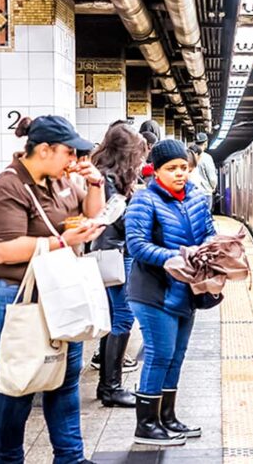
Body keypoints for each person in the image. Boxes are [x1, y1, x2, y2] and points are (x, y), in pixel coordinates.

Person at [0, 115, 105, 464]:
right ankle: (8, 459)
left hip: (55, 291)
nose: (74, 161)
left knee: (64, 379)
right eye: (68, 152)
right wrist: (61, 242)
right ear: (44, 150)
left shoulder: (60, 181)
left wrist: (95, 184)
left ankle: (71, 458)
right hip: (9, 295)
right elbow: (0, 250)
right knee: (18, 383)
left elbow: (92, 213)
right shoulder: (8, 186)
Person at [125, 139, 217, 446]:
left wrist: (213, 251)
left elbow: (208, 233)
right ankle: (146, 425)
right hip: (153, 291)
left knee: (176, 356)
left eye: (184, 168)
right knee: (159, 353)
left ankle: (167, 418)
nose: (180, 174)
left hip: (186, 289)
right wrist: (173, 257)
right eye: (171, 168)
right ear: (157, 171)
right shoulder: (144, 200)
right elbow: (136, 245)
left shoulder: (196, 198)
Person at [88, 123, 148, 408]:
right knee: (123, 317)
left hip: (112, 251)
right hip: (113, 252)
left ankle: (106, 386)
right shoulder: (109, 179)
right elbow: (114, 219)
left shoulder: (103, 173)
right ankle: (111, 388)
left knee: (115, 318)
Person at [193, 133, 218, 210]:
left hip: (192, 193)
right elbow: (212, 178)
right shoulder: (207, 158)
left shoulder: (189, 155)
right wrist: (213, 187)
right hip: (205, 193)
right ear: (205, 143)